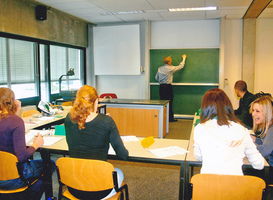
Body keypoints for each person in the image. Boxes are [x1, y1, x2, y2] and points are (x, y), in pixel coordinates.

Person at [64, 85, 129, 199]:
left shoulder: (68, 119)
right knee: (118, 173)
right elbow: (123, 155)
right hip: (100, 190)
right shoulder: (106, 121)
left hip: (74, 186)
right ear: (96, 102)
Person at [0, 87, 56, 199]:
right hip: (15, 177)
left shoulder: (11, 119)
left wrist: (15, 113)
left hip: (2, 173)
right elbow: (21, 157)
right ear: (11, 101)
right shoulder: (16, 121)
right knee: (49, 164)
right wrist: (36, 144)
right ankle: (33, 193)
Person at [193, 88, 264, 175]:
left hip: (208, 185)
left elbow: (199, 156)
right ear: (228, 106)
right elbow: (259, 164)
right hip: (234, 185)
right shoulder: (241, 129)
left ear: (205, 108)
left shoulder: (199, 129)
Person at [155, 54, 187, 122]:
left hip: (161, 87)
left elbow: (156, 78)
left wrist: (161, 82)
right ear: (169, 62)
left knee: (162, 103)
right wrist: (184, 58)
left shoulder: (160, 68)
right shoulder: (171, 68)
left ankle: (162, 118)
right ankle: (169, 118)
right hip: (168, 87)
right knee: (169, 102)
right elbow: (180, 66)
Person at [250, 96, 273, 182]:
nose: (253, 114)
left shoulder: (271, 129)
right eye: (253, 110)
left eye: (257, 111)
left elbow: (265, 149)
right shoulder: (268, 126)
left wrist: (246, 147)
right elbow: (268, 143)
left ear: (267, 113)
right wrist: (255, 139)